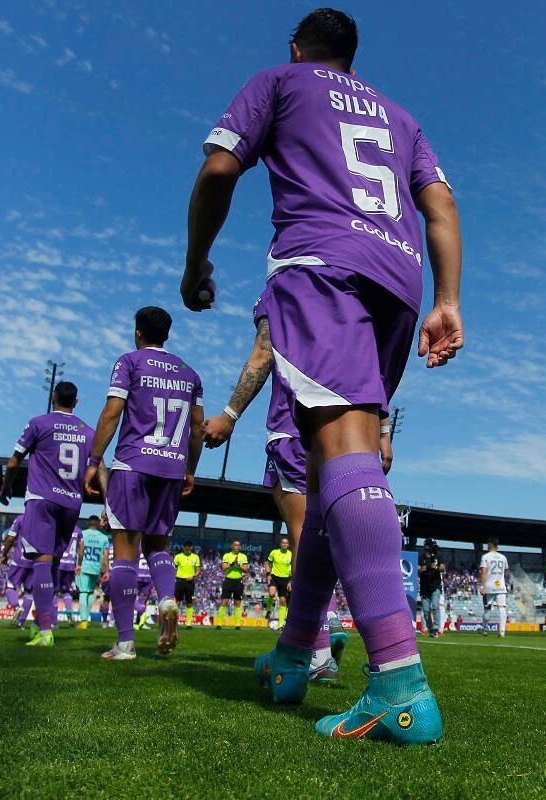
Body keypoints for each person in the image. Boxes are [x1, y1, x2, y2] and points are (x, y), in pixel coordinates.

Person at [182, 8, 461, 744]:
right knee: (331, 462)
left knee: (341, 459)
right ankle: (292, 653)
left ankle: (400, 685)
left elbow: (218, 168)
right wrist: (449, 301)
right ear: (354, 58)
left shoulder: (278, 81)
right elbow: (440, 204)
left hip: (323, 267)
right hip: (397, 281)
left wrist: (195, 264)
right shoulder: (402, 117)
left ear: (299, 49)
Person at [202, 285, 389, 675]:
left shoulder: (284, 283)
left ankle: (317, 639)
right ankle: (339, 629)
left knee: (305, 530)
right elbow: (376, 365)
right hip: (349, 428)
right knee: (329, 529)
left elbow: (264, 351)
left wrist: (230, 414)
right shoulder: (353, 287)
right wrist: (383, 431)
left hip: (293, 426)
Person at [83, 306, 205, 661]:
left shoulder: (129, 362)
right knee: (157, 544)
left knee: (125, 550)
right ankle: (167, 597)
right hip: (170, 468)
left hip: (132, 464)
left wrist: (93, 462)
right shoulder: (190, 374)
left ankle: (124, 643)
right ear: (166, 334)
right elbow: (197, 428)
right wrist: (190, 469)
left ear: (138, 332)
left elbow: (111, 412)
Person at [0, 380, 93, 647]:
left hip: (42, 499)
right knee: (50, 564)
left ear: (53, 398)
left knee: (42, 559)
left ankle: (44, 630)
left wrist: (6, 486)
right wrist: (108, 502)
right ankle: (42, 623)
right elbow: (99, 468)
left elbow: (14, 460)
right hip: (72, 503)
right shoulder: (88, 431)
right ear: (76, 402)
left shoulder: (39, 423)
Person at [75, 516, 111, 630]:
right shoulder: (104, 537)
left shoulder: (83, 534)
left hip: (84, 566)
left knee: (83, 592)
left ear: (88, 523)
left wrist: (79, 565)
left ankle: (84, 620)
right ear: (98, 524)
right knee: (90, 592)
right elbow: (105, 556)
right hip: (96, 567)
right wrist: (106, 570)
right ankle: (86, 617)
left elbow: (81, 551)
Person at [0, 512, 34, 628]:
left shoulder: (20, 519)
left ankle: (16, 607)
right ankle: (21, 622)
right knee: (29, 592)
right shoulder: (45, 520)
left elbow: (10, 538)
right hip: (36, 562)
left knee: (10, 586)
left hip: (20, 559)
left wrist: (4, 554)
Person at [479, 539, 509, 638]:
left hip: (489, 586)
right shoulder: (503, 557)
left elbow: (483, 571)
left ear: (489, 545)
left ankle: (485, 629)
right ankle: (502, 631)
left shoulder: (486, 557)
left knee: (487, 608)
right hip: (500, 586)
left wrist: (482, 586)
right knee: (502, 607)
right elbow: (506, 572)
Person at [217, 539, 249, 629]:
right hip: (228, 580)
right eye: (235, 545)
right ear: (232, 546)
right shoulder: (227, 555)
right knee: (224, 602)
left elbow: (246, 569)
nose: (237, 547)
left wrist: (239, 566)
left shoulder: (243, 556)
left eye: (238, 545)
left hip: (238, 580)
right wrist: (232, 564)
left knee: (238, 602)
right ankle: (219, 624)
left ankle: (237, 625)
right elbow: (223, 568)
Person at [56, 524, 83, 626]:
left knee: (53, 591)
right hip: (70, 564)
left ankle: (53, 622)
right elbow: (81, 547)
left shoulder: (59, 526)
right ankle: (69, 612)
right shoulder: (78, 531)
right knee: (66, 591)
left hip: (58, 562)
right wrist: (79, 564)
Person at [418, 539, 445, 637]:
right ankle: (431, 629)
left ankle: (436, 627)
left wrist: (436, 567)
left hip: (435, 585)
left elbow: (443, 568)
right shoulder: (422, 557)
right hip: (425, 586)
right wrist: (423, 569)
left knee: (435, 606)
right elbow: (418, 570)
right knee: (425, 610)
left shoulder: (439, 556)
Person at [266, 535, 293, 629]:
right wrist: (268, 574)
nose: (284, 544)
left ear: (288, 545)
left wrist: (291, 581)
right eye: (283, 543)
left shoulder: (291, 554)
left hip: (285, 579)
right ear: (280, 544)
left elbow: (293, 568)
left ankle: (281, 624)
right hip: (274, 577)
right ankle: (268, 610)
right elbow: (267, 563)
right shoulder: (274, 552)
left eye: (286, 543)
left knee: (283, 601)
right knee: (272, 593)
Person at [173, 540, 202, 628]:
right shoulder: (178, 557)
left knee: (189, 602)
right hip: (179, 580)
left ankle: (189, 623)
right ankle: (174, 622)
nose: (189, 548)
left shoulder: (195, 557)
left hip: (190, 581)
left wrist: (193, 576)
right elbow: (174, 568)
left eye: (190, 546)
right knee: (177, 601)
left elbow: (198, 571)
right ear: (184, 547)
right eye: (187, 547)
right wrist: (175, 576)